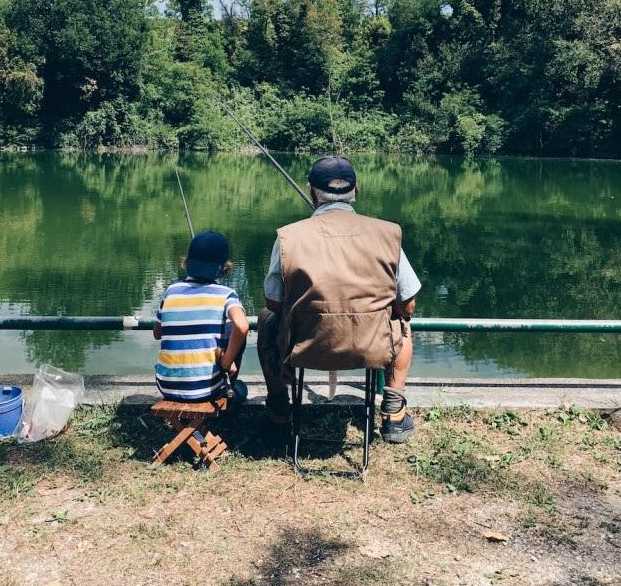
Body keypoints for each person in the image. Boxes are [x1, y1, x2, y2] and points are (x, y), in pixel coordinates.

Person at [257, 156, 421, 443]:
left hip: (304, 347)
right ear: (357, 189)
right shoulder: (387, 234)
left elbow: (274, 304)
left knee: (265, 319)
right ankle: (394, 414)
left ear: (311, 193)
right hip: (372, 347)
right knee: (403, 325)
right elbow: (407, 305)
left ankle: (279, 407)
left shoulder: (287, 238)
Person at [154, 230, 249, 404]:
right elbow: (242, 327)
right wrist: (227, 362)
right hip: (206, 390)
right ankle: (230, 387)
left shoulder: (170, 291)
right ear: (224, 268)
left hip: (166, 386)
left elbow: (157, 333)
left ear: (187, 263)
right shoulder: (226, 295)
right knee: (234, 339)